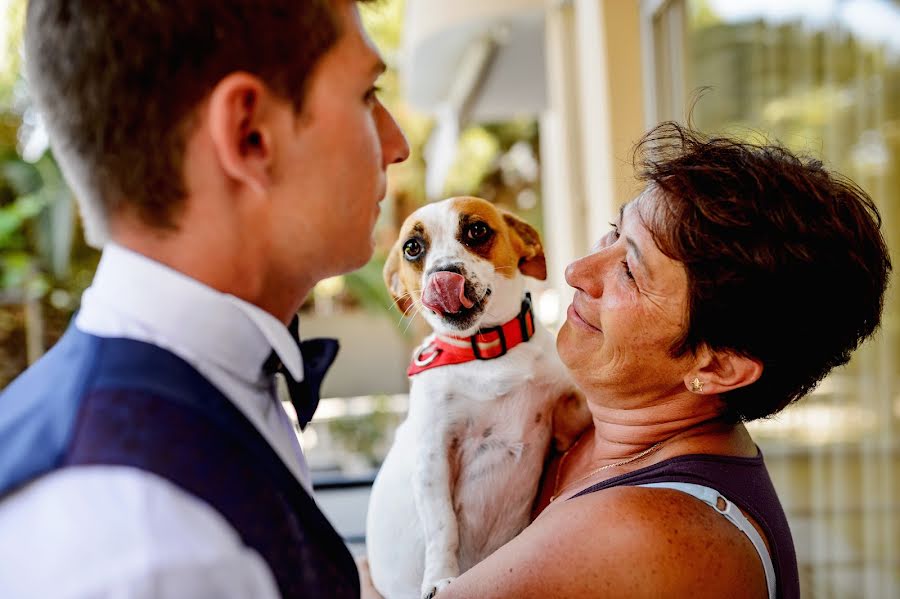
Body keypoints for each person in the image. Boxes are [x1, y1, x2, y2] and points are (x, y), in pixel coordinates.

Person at [362, 122, 891, 598]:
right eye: (613, 233)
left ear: (715, 367)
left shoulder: (642, 534)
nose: (576, 270)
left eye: (631, 271)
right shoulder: (581, 427)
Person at [0, 1, 408, 597]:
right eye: (366, 95)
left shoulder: (211, 384)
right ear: (250, 134)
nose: (395, 144)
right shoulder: (142, 548)